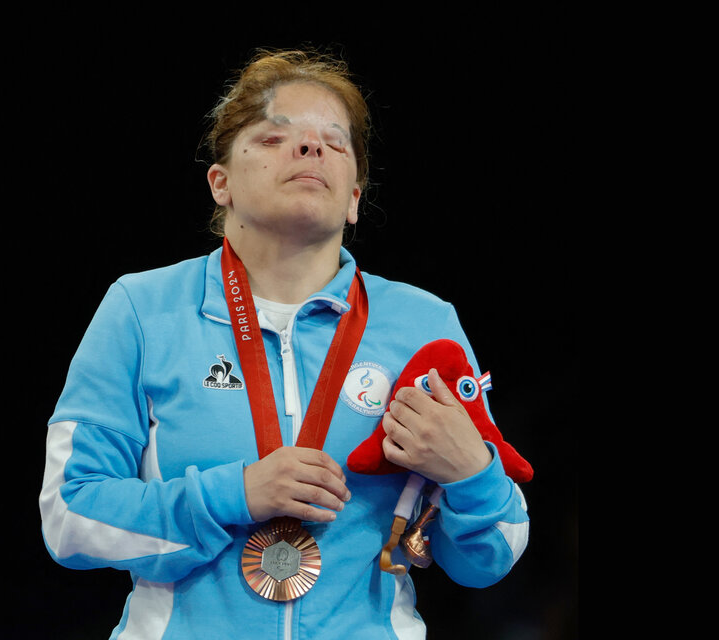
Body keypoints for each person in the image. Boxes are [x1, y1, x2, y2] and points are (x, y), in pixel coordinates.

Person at [39, 48, 529, 639]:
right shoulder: (142, 310)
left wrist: (471, 472)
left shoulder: (425, 324)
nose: (310, 148)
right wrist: (235, 495)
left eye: (334, 141)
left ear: (353, 198)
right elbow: (69, 517)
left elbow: (491, 559)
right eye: (274, 139)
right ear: (220, 183)